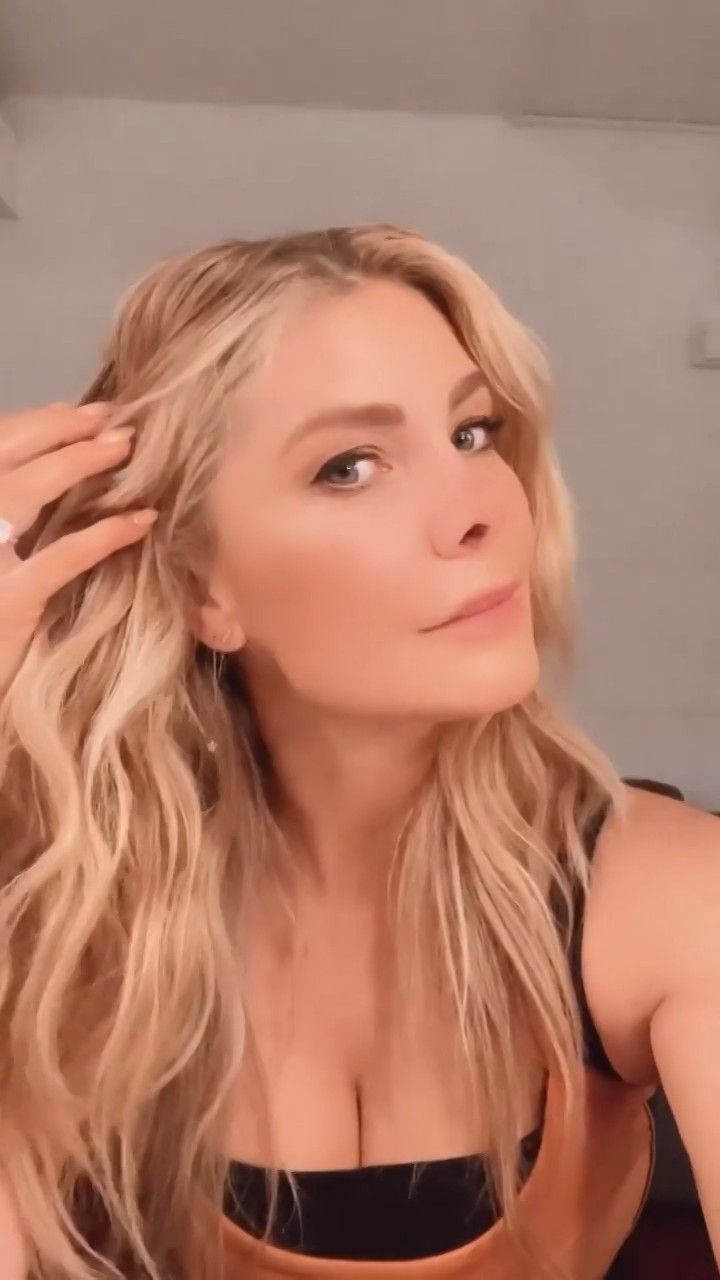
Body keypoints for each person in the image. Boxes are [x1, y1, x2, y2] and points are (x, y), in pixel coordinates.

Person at [0, 224, 717, 1280]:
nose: (476, 510)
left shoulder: (666, 893)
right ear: (203, 588)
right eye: (350, 467)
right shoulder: (63, 923)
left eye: (472, 432)